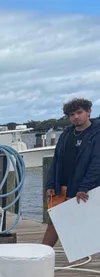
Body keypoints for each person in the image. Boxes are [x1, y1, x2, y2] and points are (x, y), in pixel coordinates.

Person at [42, 98, 100, 261]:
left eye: (80, 112)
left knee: (80, 223)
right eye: (72, 114)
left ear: (89, 111)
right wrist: (51, 183)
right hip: (63, 187)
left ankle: (79, 258)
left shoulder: (96, 133)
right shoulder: (66, 134)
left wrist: (84, 187)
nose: (76, 117)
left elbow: (97, 164)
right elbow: (56, 160)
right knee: (54, 220)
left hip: (84, 189)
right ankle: (41, 254)